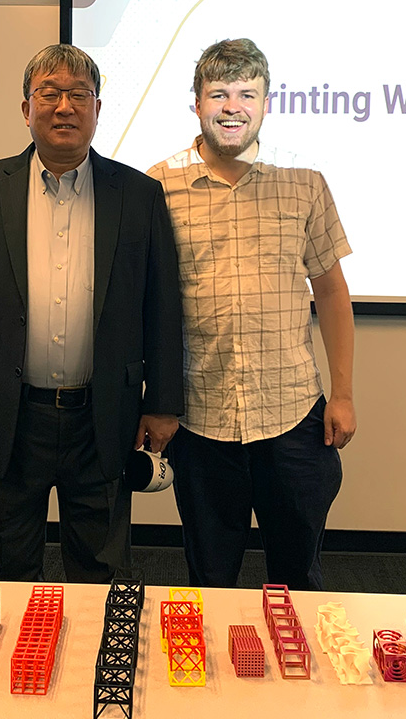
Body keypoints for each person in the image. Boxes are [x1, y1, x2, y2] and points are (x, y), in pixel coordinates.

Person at [0, 44, 184, 583]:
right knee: (5, 568)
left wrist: (163, 404)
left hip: (104, 416)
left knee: (101, 571)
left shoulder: (138, 195)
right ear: (27, 108)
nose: (64, 107)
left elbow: (162, 306)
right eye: (49, 93)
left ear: (98, 108)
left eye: (79, 95)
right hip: (8, 414)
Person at [147, 38, 357, 590]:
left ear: (266, 102)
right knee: (210, 580)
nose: (232, 107)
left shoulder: (304, 183)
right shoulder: (157, 187)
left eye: (247, 93)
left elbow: (332, 292)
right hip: (201, 417)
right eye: (219, 94)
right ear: (196, 103)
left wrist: (342, 394)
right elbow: (144, 306)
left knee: (298, 580)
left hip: (293, 414)